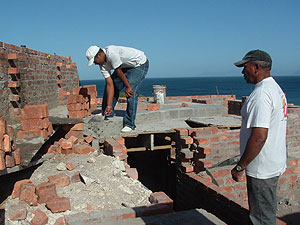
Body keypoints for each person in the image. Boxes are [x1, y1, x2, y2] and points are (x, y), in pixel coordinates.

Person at [231, 50, 288, 225]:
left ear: (256, 67)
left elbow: (259, 137)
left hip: (262, 168)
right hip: (273, 162)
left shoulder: (261, 95)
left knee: (261, 219)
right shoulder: (274, 88)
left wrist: (240, 166)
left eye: (245, 67)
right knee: (266, 213)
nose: (242, 72)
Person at [86, 45, 149, 133]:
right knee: (114, 84)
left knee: (131, 92)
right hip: (124, 66)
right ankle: (107, 111)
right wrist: (109, 105)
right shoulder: (102, 65)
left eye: (94, 61)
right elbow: (110, 84)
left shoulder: (112, 53)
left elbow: (119, 71)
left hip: (139, 64)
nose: (95, 63)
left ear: (99, 55)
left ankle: (129, 124)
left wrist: (128, 87)